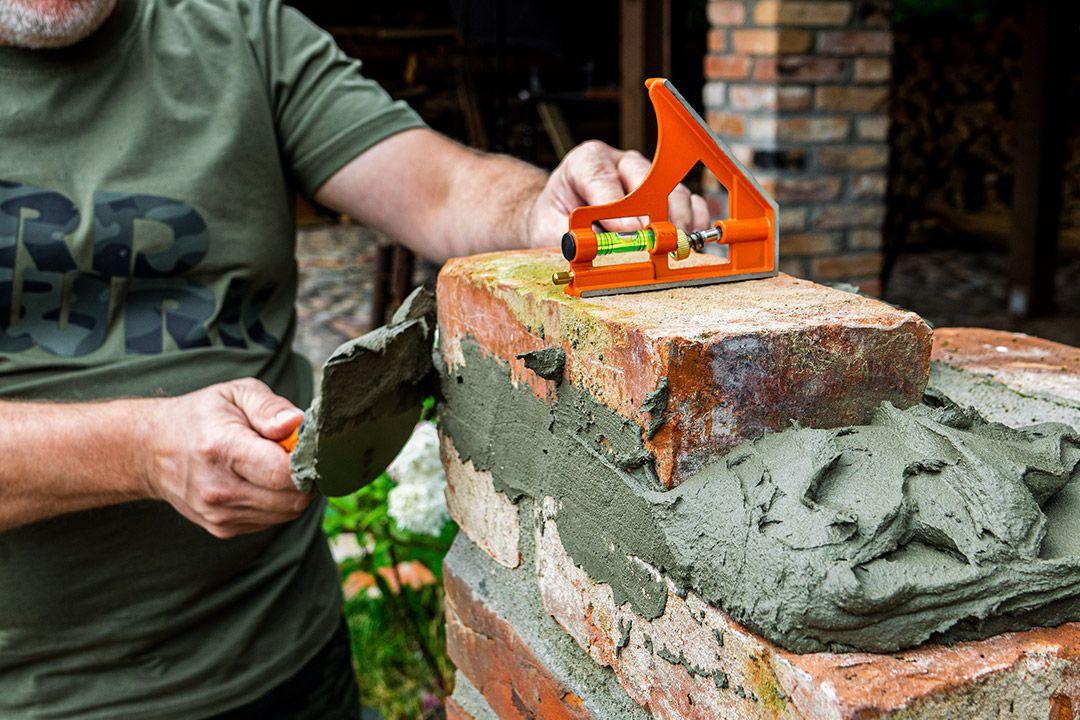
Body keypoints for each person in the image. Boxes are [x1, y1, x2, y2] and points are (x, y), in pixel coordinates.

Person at [0, 0, 710, 717]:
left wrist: (536, 209)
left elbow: (437, 187)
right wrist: (141, 451)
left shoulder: (239, 30)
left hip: (283, 662)